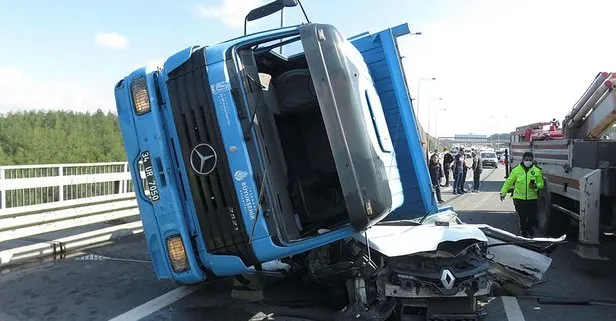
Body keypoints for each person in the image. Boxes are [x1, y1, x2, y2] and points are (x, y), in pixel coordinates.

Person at [499, 152, 544, 237]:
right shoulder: (516, 170)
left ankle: (529, 227)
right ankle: (524, 234)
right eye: (526, 160)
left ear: (533, 160)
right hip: (519, 199)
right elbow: (508, 182)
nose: (528, 162)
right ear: (523, 160)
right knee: (522, 217)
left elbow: (541, 184)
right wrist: (503, 193)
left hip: (532, 198)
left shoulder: (537, 170)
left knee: (532, 218)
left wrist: (535, 186)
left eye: (530, 160)